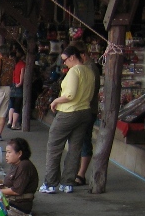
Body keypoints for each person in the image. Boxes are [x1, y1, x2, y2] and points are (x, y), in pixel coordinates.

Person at [41, 46, 95, 194]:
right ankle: (67, 183)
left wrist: (55, 101)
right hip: (84, 111)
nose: (64, 63)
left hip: (68, 112)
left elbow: (70, 95)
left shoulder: (74, 72)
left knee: (54, 146)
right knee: (75, 148)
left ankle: (50, 183)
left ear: (72, 57)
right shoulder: (89, 71)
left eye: (65, 60)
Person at [75, 56, 102, 186]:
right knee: (80, 141)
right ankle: (78, 172)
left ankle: (81, 174)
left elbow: (89, 92)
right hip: (84, 108)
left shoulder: (89, 68)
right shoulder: (87, 68)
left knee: (85, 140)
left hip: (86, 109)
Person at [1, 138, 39, 213]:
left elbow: (16, 191)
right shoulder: (15, 164)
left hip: (19, 205)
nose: (6, 155)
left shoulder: (24, 166)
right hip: (11, 201)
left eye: (9, 152)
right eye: (6, 152)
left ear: (19, 153)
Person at [8, 48, 26, 130]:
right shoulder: (22, 64)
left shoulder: (13, 65)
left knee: (11, 105)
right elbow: (22, 75)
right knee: (17, 106)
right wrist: (20, 83)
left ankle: (9, 121)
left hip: (12, 84)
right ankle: (14, 124)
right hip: (18, 85)